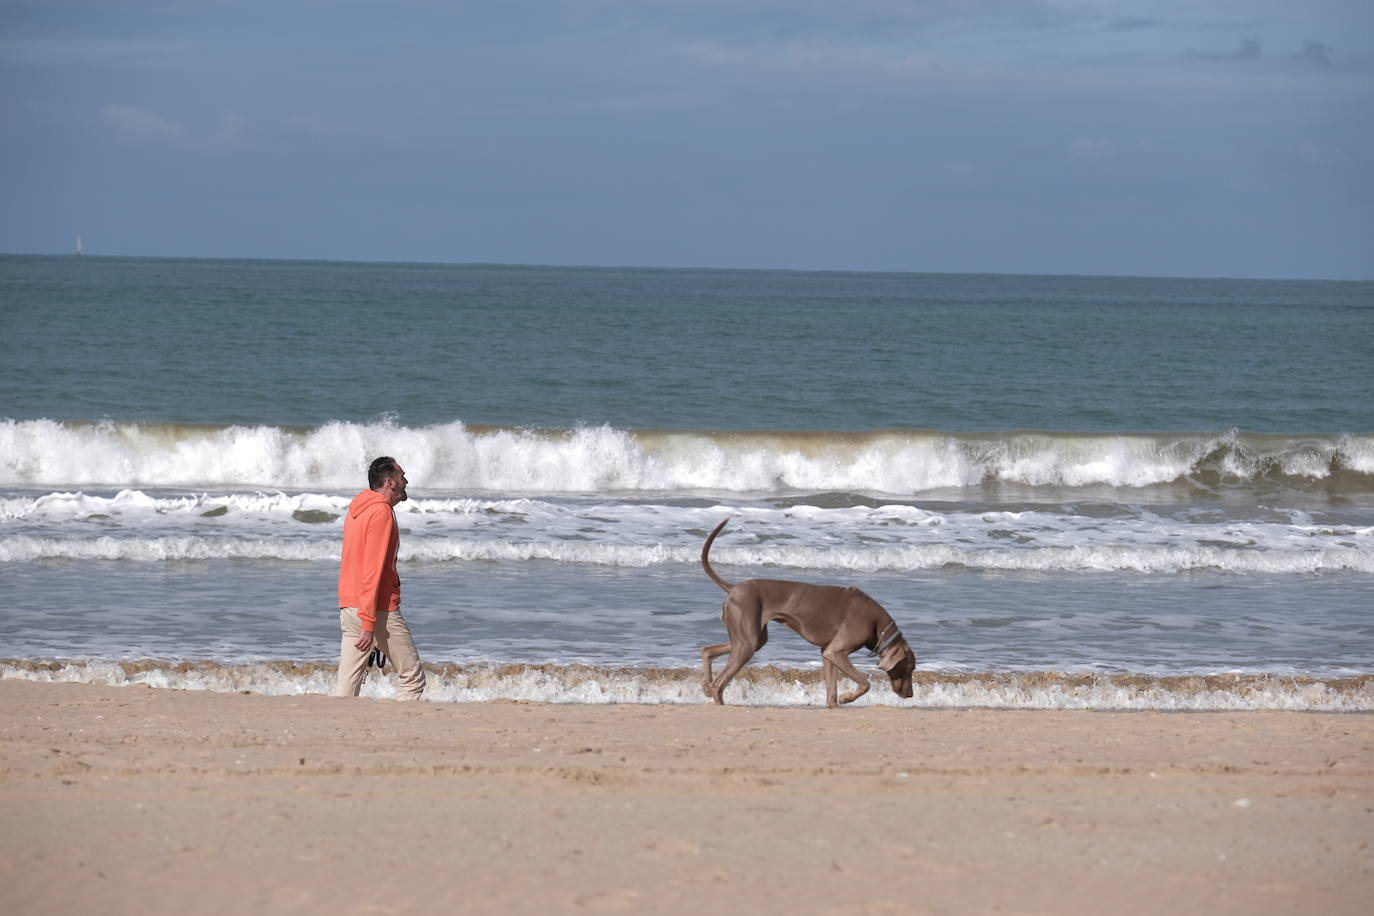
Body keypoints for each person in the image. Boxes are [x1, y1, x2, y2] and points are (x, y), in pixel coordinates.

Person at [334, 456, 426, 699]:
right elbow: (372, 570)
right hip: (377, 610)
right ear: (390, 482)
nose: (406, 481)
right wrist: (369, 624)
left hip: (350, 605)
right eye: (402, 476)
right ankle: (402, 733)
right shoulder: (381, 512)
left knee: (347, 686)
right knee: (413, 679)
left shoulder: (357, 510)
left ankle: (337, 731)